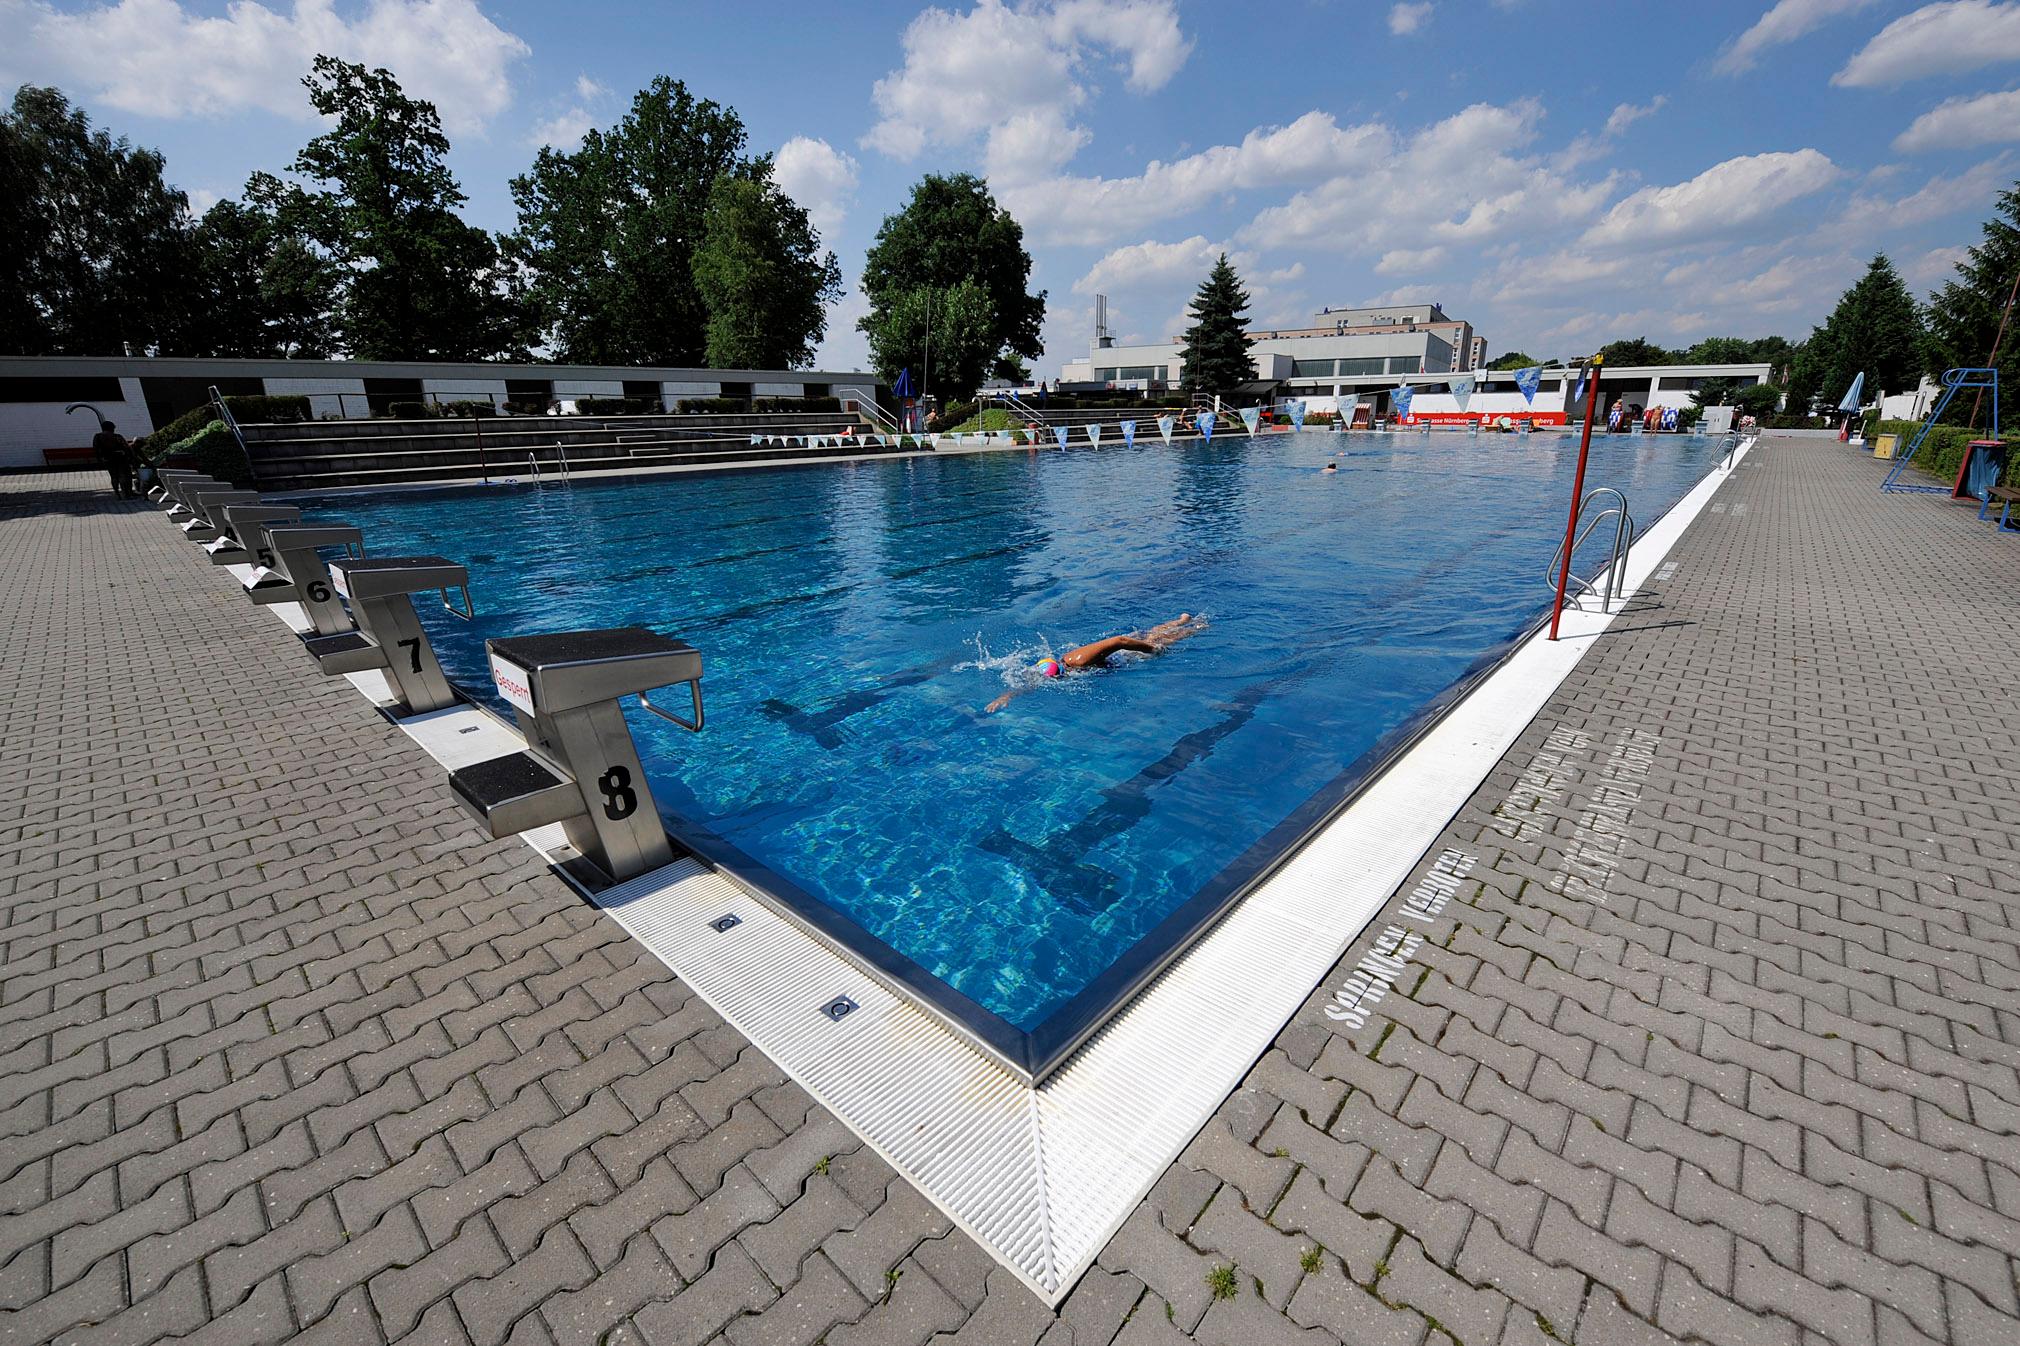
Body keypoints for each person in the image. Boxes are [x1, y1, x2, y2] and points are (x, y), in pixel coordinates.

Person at [985, 614, 1205, 713]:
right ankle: (1182, 621)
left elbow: (1121, 641)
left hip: (1127, 653)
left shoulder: (1078, 660)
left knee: (1158, 642)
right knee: (1151, 634)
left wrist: (1151, 651)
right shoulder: (1064, 670)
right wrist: (1006, 697)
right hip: (1119, 657)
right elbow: (1031, 684)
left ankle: (1194, 626)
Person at [92, 421, 136, 499]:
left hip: (107, 459)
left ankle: (117, 494)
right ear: (111, 428)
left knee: (113, 476)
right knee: (122, 475)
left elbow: (96, 449)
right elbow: (126, 447)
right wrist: (130, 458)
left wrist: (99, 459)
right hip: (120, 458)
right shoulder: (117, 436)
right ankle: (126, 494)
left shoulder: (97, 437)